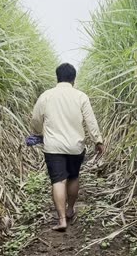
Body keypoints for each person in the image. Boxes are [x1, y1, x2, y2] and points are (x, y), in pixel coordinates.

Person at [30, 63, 104, 232]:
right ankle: (70, 210)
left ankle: (61, 219)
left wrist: (40, 132)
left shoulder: (46, 96)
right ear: (73, 79)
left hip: (53, 146)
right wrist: (98, 140)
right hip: (75, 146)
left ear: (58, 77)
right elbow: (90, 121)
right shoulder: (80, 96)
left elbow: (35, 119)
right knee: (73, 177)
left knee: (58, 180)